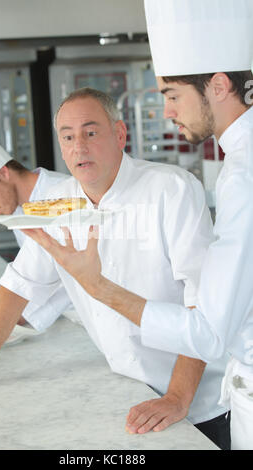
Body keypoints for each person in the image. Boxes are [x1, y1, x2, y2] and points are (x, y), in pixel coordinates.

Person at [23, 1, 253, 450]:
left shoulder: (241, 177)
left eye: (171, 95)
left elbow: (207, 332)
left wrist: (98, 286)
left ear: (219, 86)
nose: (167, 112)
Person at [0, 88, 230, 450]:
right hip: (130, 390)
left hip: (200, 400)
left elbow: (202, 304)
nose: (78, 146)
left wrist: (177, 397)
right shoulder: (58, 206)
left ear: (119, 134)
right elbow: (18, 287)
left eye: (91, 132)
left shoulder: (172, 189)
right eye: (67, 137)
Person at [0, 122, 72, 332]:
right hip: (66, 323)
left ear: (3, 172)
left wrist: (13, 314)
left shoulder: (61, 194)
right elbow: (38, 275)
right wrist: (5, 310)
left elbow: (71, 277)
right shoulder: (18, 209)